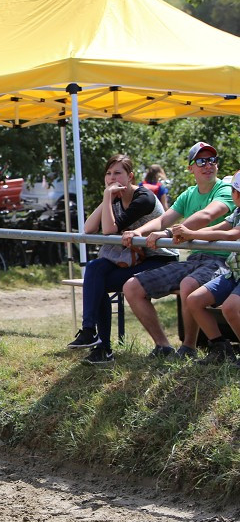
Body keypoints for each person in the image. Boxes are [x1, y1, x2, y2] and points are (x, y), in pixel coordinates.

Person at [121, 142, 237, 359]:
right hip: (194, 260)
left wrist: (167, 234)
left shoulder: (225, 190)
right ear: (190, 168)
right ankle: (164, 346)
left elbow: (207, 216)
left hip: (221, 262)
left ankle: (191, 347)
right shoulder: (189, 193)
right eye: (201, 161)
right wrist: (138, 233)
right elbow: (163, 219)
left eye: (212, 160)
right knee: (132, 287)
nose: (208, 165)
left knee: (188, 284)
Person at [67, 154, 176, 365]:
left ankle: (101, 345)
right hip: (134, 259)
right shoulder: (114, 197)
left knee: (96, 282)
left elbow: (108, 230)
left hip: (159, 259)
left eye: (117, 173)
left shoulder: (143, 198)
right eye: (108, 173)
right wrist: (107, 198)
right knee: (95, 269)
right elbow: (88, 229)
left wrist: (108, 197)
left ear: (130, 177)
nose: (111, 177)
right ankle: (92, 333)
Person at [170, 174, 240, 364]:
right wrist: (189, 234)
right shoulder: (238, 212)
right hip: (235, 273)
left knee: (230, 308)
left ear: (234, 194)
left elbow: (233, 234)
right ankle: (220, 348)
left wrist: (192, 233)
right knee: (194, 300)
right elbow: (222, 227)